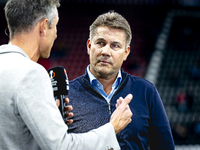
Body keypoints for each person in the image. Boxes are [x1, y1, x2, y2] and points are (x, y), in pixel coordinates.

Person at [0, 1, 133, 150]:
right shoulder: (31, 73)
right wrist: (111, 128)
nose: (56, 34)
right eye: (55, 25)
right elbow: (62, 147)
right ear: (44, 26)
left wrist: (49, 121)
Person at [67, 11, 175, 149]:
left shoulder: (146, 91)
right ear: (89, 46)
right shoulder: (67, 95)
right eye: (100, 43)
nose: (106, 51)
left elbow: (165, 147)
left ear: (126, 53)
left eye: (115, 46)